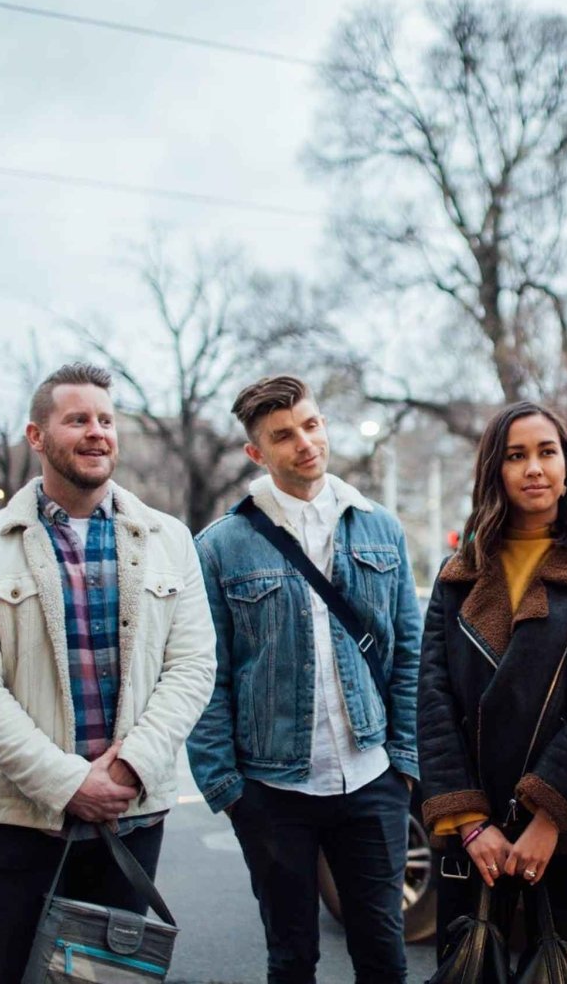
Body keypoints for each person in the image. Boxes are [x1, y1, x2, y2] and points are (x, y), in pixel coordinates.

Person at [0, 362, 217, 984]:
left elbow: (193, 666)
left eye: (106, 420)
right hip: (15, 821)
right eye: (78, 419)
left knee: (102, 981)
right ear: (37, 436)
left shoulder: (170, 539)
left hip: (129, 817)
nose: (97, 432)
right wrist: (67, 783)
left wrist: (129, 768)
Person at [185, 374, 421, 984]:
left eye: (311, 425)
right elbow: (205, 675)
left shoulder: (381, 528)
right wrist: (229, 790)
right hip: (272, 788)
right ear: (256, 453)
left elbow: (410, 654)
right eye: (284, 435)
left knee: (384, 956)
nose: (305, 443)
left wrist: (404, 763)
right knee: (291, 958)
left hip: (371, 776)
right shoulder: (221, 547)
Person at [417, 401, 567, 979]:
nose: (534, 468)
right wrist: (470, 822)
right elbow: (434, 701)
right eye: (516, 455)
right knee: (468, 969)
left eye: (547, 452)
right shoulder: (457, 573)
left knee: (556, 970)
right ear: (495, 470)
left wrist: (547, 818)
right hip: (476, 829)